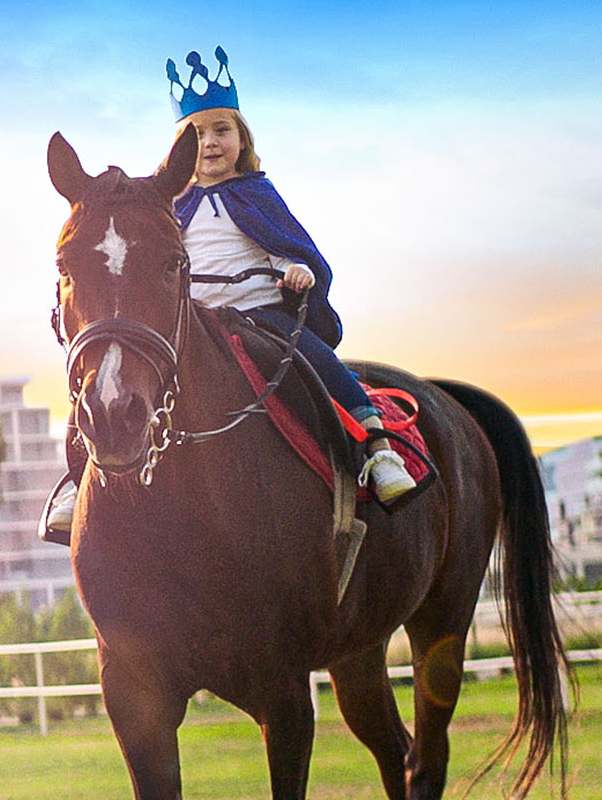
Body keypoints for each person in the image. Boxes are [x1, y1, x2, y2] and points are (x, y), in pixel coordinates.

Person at [40, 47, 415, 543]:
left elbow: (286, 247)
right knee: (116, 377)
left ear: (242, 138)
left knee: (315, 360)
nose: (211, 143)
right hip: (198, 320)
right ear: (181, 150)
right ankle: (80, 474)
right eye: (197, 134)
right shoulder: (168, 208)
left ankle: (375, 445)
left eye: (222, 130)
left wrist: (296, 270)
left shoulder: (257, 195)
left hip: (261, 313)